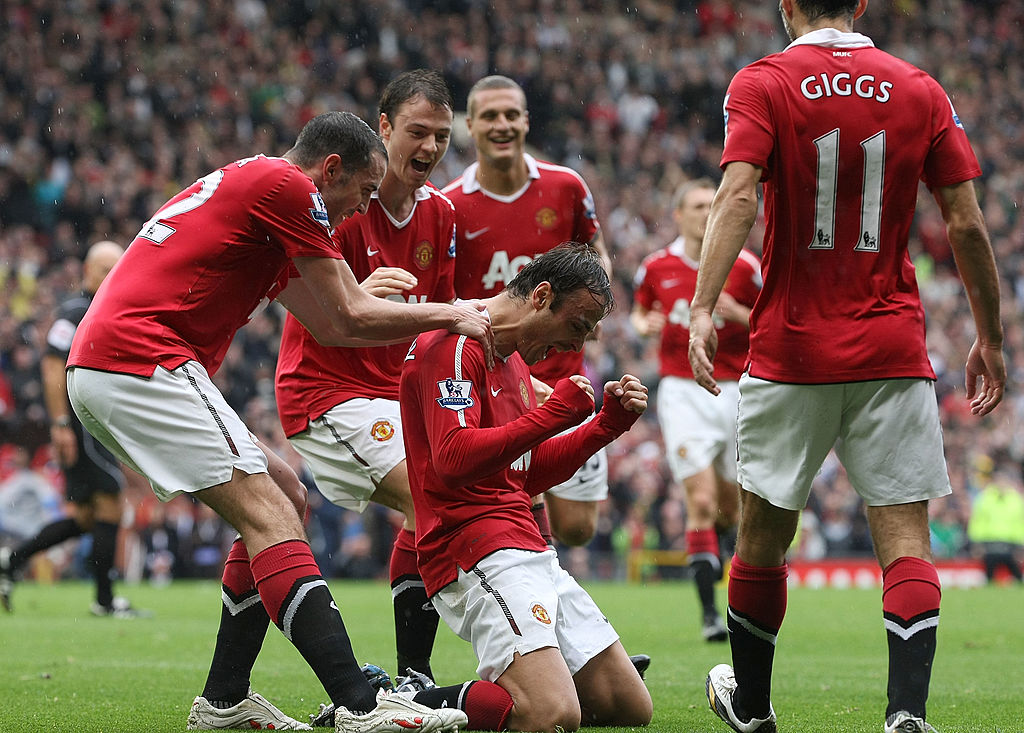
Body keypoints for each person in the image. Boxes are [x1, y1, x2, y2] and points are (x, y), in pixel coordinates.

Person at [65, 110, 490, 733]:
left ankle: (224, 701)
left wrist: (400, 306)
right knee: (270, 512)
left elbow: (337, 324)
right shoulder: (288, 189)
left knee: (285, 495)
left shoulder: (265, 204)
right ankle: (359, 705)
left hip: (119, 362)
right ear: (332, 169)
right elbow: (348, 308)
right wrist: (451, 314)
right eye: (363, 193)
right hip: (139, 356)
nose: (360, 210)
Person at [687, 2, 1006, 732]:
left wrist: (703, 306)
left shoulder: (763, 81)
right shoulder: (920, 88)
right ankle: (904, 714)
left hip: (790, 350)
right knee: (904, 543)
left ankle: (755, 706)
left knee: (763, 538)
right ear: (860, 4)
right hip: (891, 346)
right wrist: (990, 334)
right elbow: (964, 219)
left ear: (787, 7)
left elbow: (738, 193)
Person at [399, 243, 653, 732]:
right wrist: (550, 415)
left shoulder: (513, 358)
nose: (575, 347)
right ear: (540, 295)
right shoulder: (455, 343)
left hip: (526, 544)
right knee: (551, 716)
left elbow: (522, 472)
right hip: (470, 546)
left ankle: (480, 689)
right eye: (577, 326)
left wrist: (606, 426)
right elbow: (453, 460)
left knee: (627, 707)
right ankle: (400, 702)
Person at [276, 69, 456, 683]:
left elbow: (443, 324)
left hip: (396, 394)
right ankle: (453, 666)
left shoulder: (443, 216)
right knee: (433, 493)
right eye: (417, 132)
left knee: (271, 513)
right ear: (383, 129)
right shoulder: (342, 198)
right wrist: (354, 292)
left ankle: (418, 678)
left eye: (442, 136)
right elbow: (306, 298)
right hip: (329, 390)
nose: (429, 148)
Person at [442, 75, 612, 548]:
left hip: (564, 378)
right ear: (470, 126)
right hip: (494, 385)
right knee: (508, 505)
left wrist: (592, 313)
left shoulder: (566, 187)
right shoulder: (450, 205)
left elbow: (596, 253)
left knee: (578, 529)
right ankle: (527, 586)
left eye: (511, 115)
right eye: (491, 116)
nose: (502, 125)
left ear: (526, 121)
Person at [630, 178, 761, 642]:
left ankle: (721, 564)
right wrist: (643, 323)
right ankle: (710, 615)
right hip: (683, 390)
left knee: (731, 508)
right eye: (699, 205)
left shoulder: (746, 268)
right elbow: (639, 312)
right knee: (700, 502)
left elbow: (770, 322)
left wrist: (741, 314)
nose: (708, 212)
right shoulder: (656, 267)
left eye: (714, 204)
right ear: (679, 214)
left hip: (737, 391)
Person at [0, 240, 142, 618]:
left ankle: (11, 559)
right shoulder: (75, 312)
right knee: (111, 498)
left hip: (90, 422)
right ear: (87, 273)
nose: (113, 276)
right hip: (79, 424)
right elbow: (50, 366)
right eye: (105, 270)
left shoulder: (104, 311)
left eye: (117, 268)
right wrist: (61, 422)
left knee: (86, 518)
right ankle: (105, 600)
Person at [966, 470, 1024, 583]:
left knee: (1017, 577)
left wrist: (1021, 546)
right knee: (989, 576)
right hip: (989, 542)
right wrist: (976, 543)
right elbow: (978, 521)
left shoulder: (1016, 499)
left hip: (1011, 544)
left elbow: (1020, 523)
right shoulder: (985, 498)